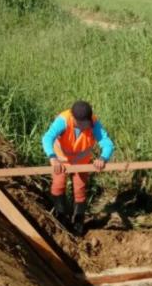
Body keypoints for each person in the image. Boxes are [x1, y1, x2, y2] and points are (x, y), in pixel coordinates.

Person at [42, 101, 115, 236]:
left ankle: (78, 221)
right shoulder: (63, 120)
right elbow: (47, 138)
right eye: (84, 123)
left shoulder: (94, 123)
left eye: (88, 122)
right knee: (58, 186)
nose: (88, 126)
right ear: (75, 120)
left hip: (82, 163)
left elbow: (107, 144)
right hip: (61, 161)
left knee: (80, 189)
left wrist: (103, 158)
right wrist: (52, 157)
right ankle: (61, 216)